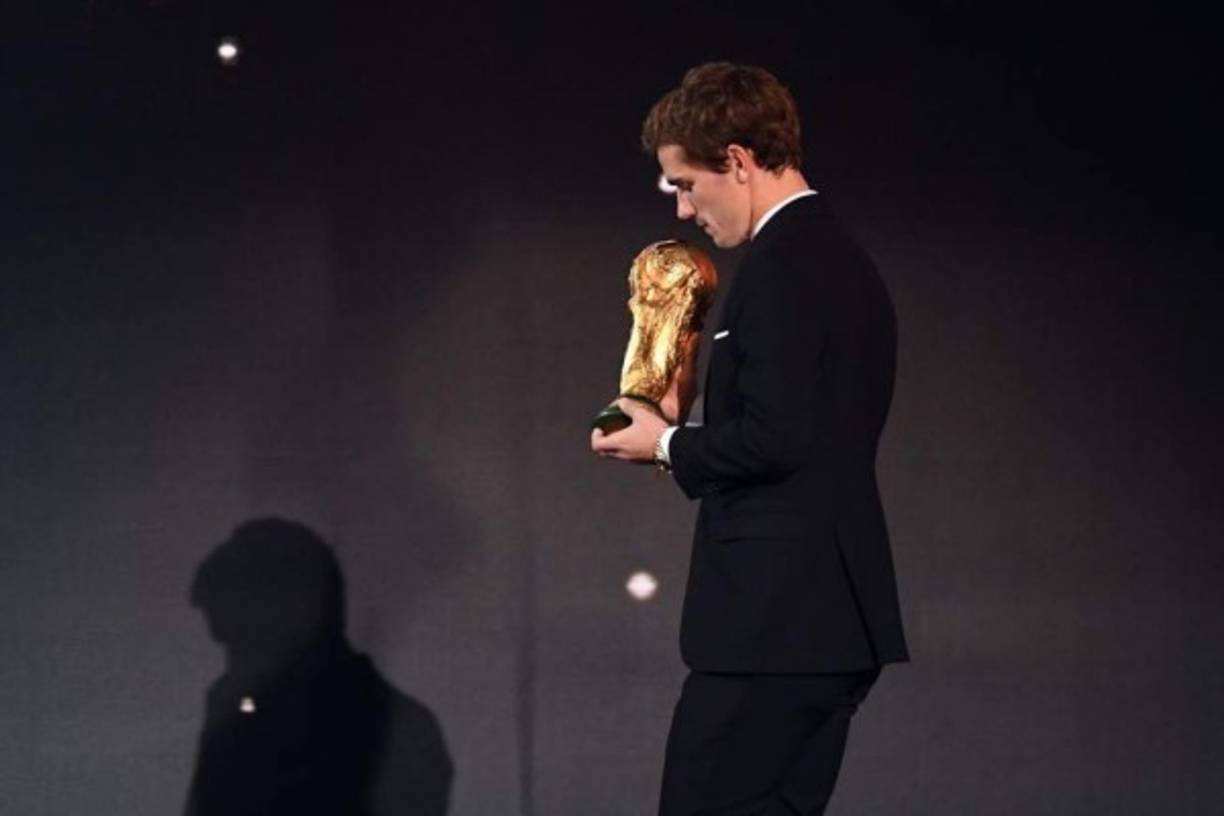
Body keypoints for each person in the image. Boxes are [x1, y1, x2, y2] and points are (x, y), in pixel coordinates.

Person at [591, 62, 908, 815]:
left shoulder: (788, 264)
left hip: (777, 632)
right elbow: (796, 429)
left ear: (736, 160)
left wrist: (664, 445)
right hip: (810, 627)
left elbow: (777, 439)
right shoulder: (831, 258)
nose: (683, 207)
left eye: (685, 183)